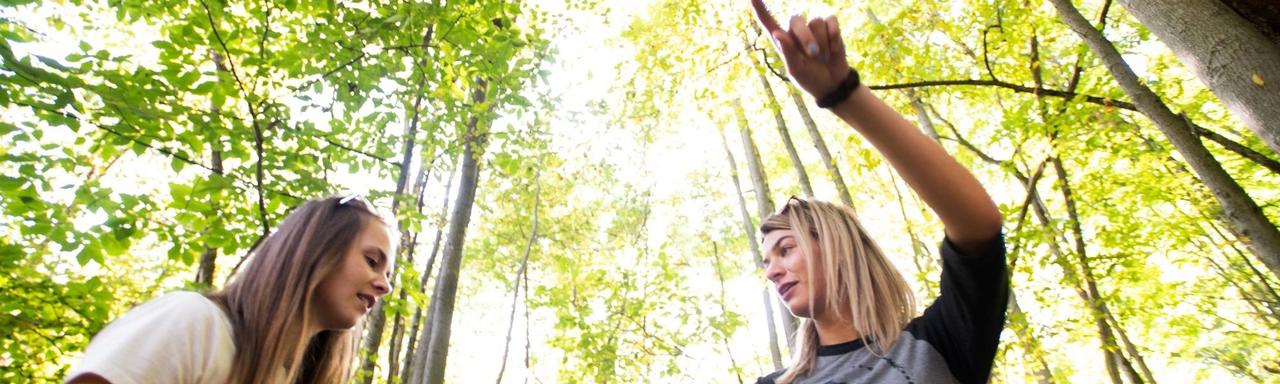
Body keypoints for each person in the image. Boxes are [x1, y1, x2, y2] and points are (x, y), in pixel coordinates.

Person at [749, 1, 1008, 383]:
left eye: (785, 249)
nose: (771, 271)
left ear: (838, 245)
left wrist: (842, 94)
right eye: (767, 260)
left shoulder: (935, 345)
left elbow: (978, 228)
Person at [65, 195, 395, 384]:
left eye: (387, 272)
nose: (385, 285)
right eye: (371, 260)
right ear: (316, 250)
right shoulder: (195, 325)